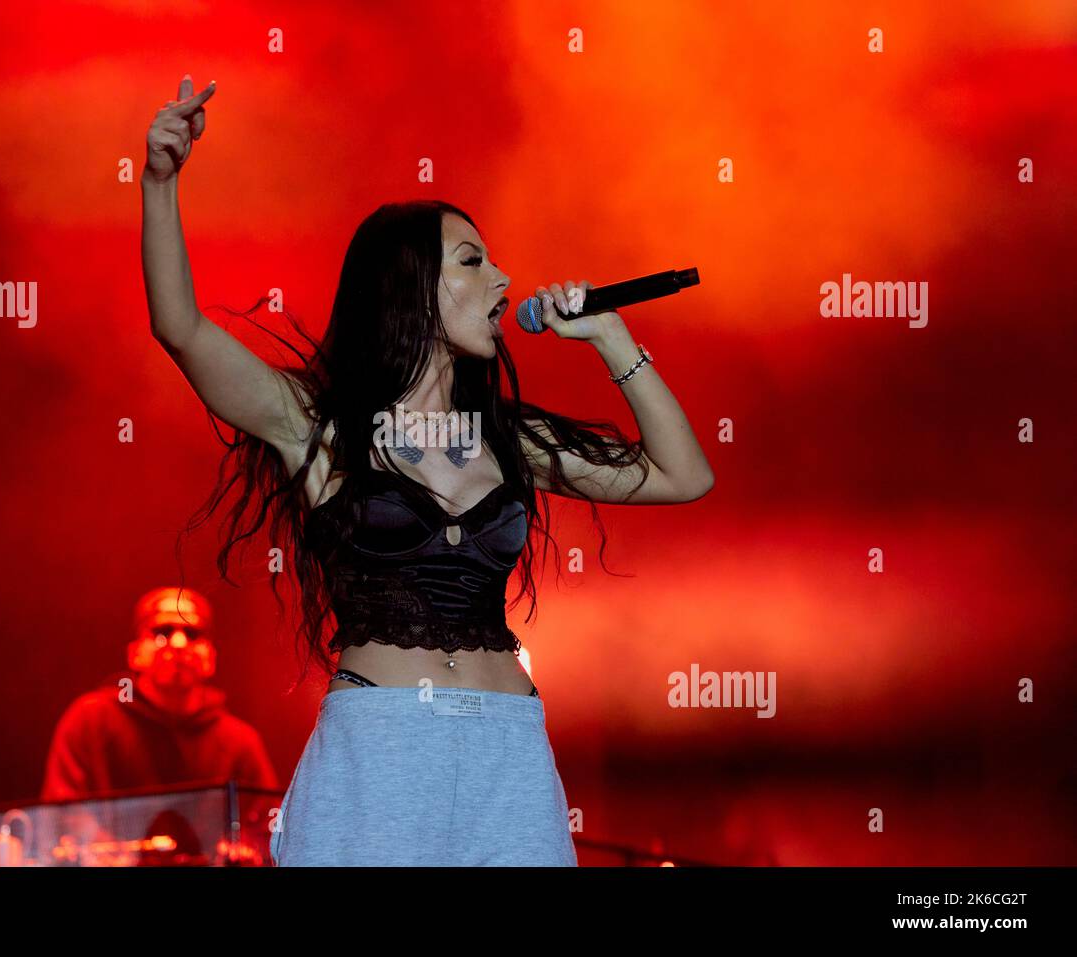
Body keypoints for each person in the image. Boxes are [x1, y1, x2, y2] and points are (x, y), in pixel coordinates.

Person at [141, 75, 714, 866]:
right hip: (381, 747)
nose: (503, 280)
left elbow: (683, 476)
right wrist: (160, 182)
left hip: (508, 753)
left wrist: (613, 340)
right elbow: (181, 329)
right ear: (409, 288)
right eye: (473, 261)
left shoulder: (510, 438)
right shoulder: (319, 427)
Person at [41, 586, 278, 801]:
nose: (178, 643)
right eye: (162, 632)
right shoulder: (90, 722)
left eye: (192, 633)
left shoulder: (240, 742)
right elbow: (63, 817)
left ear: (211, 657)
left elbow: (268, 825)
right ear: (135, 653)